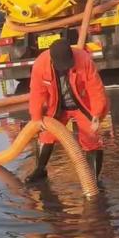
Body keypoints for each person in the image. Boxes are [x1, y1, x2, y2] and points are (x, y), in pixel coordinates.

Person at [27, 38, 108, 183]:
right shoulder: (40, 64)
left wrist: (96, 114)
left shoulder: (83, 59)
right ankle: (40, 170)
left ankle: (93, 180)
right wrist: (36, 117)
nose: (65, 68)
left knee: (92, 137)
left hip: (82, 105)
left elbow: (95, 88)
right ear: (52, 60)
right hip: (57, 107)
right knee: (46, 135)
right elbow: (37, 93)